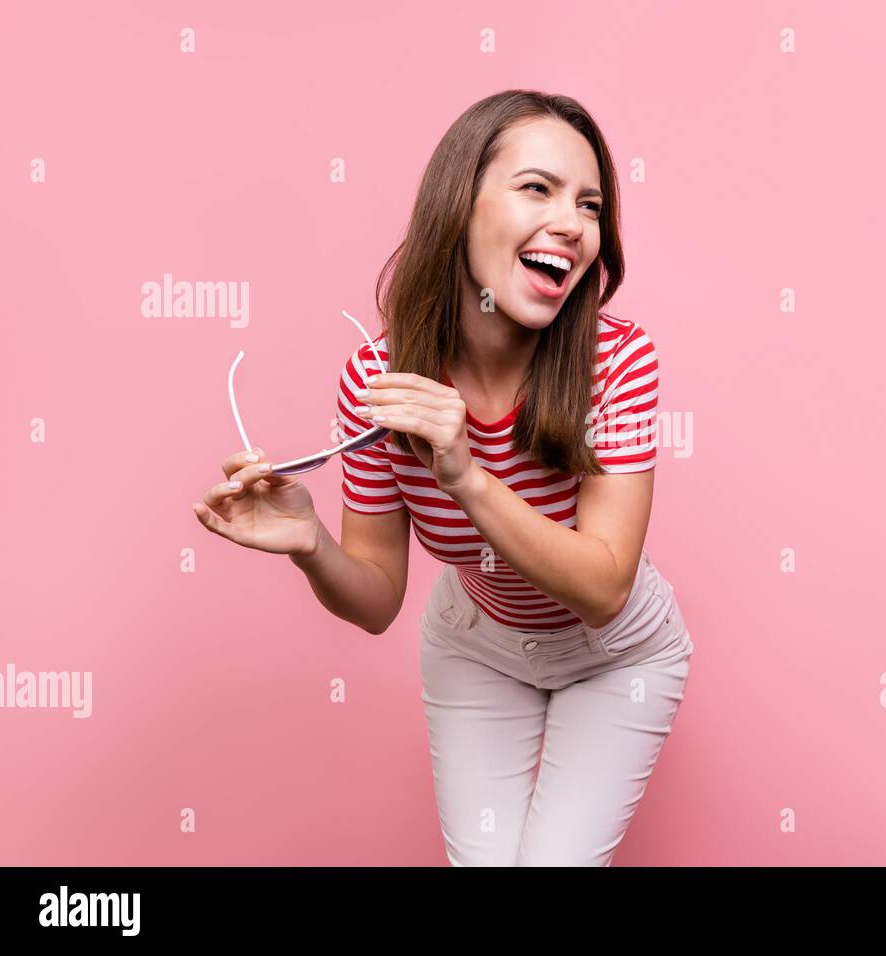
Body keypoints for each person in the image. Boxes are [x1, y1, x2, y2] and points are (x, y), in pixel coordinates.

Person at [191, 89, 693, 866]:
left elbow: (602, 586)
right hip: (477, 646)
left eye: (590, 204)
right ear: (459, 205)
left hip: (616, 653)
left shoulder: (618, 362)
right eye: (537, 188)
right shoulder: (378, 383)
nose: (572, 222)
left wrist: (465, 475)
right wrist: (311, 542)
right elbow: (378, 599)